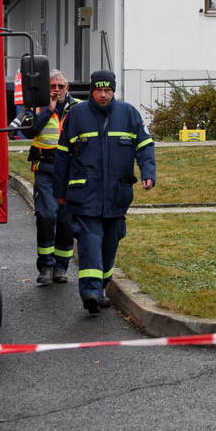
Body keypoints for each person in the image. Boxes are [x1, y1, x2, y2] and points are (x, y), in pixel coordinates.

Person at [56, 70, 156, 314]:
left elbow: (144, 146)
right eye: (98, 90)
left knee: (110, 241)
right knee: (90, 240)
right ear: (91, 91)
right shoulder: (76, 116)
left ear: (113, 91)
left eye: (107, 91)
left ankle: (101, 286)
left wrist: (148, 174)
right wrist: (60, 190)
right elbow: (62, 156)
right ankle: (89, 292)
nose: (103, 95)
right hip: (84, 195)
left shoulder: (129, 114)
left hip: (116, 195)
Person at [25, 70, 77, 284]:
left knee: (65, 222)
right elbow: (28, 131)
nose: (56, 90)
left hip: (71, 174)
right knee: (46, 219)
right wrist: (48, 110)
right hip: (46, 172)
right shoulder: (36, 107)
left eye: (60, 86)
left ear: (67, 88)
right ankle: (46, 266)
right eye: (52, 86)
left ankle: (61, 268)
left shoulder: (80, 107)